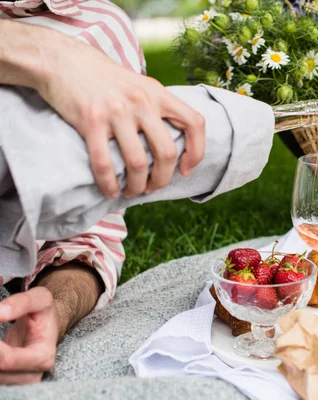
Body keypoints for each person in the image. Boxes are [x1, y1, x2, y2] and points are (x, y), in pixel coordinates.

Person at [0, 0, 206, 385]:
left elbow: (89, 234)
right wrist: (47, 53)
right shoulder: (70, 49)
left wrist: (55, 310)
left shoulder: (100, 28)